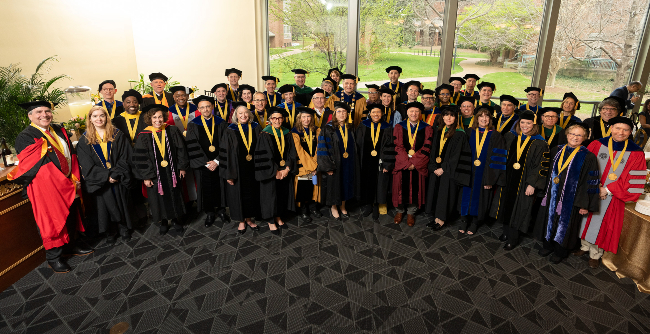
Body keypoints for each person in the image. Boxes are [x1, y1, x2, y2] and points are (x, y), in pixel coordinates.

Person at [10, 101, 93, 273]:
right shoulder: (26, 136)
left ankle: (70, 246)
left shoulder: (58, 130)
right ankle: (54, 257)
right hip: (46, 187)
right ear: (30, 116)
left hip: (69, 182)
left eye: (47, 111)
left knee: (70, 213)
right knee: (51, 220)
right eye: (39, 111)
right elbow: (37, 168)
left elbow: (70, 154)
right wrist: (64, 183)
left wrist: (74, 177)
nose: (44, 115)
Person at [578, 116, 646, 268]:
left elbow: (633, 180)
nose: (621, 132)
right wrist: (596, 187)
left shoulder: (636, 153)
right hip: (592, 190)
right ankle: (584, 246)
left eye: (625, 129)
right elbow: (584, 167)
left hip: (613, 196)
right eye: (617, 128)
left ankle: (595, 254)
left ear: (630, 132)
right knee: (585, 217)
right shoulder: (596, 144)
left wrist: (607, 190)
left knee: (603, 222)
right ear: (611, 128)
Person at [534, 123, 600, 264]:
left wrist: (585, 204)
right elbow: (544, 172)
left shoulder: (588, 157)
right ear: (567, 135)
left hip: (573, 199)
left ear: (584, 137)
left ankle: (560, 251)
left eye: (579, 135)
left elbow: (591, 181)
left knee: (565, 225)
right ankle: (548, 245)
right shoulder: (555, 150)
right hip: (551, 195)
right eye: (572, 134)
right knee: (549, 220)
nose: (575, 137)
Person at [491, 110, 549, 250]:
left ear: (534, 125)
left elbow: (540, 166)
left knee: (520, 209)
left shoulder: (540, 143)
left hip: (524, 182)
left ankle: (513, 237)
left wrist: (532, 184)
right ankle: (506, 231)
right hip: (508, 178)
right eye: (522, 122)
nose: (525, 125)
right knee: (505, 205)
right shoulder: (510, 136)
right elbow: (501, 156)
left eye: (528, 123)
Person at [77, 106, 133, 244]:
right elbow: (86, 163)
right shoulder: (84, 140)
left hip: (117, 176)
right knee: (103, 205)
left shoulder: (117, 134)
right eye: (95, 116)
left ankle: (123, 227)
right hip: (100, 180)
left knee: (120, 201)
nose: (99, 119)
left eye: (102, 115)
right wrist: (106, 176)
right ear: (90, 119)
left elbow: (125, 156)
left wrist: (115, 173)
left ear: (107, 117)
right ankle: (109, 230)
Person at [132, 104, 189, 236]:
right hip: (155, 175)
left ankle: (176, 220)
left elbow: (181, 150)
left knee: (174, 194)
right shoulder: (144, 135)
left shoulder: (172, 130)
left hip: (172, 172)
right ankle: (163, 221)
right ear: (149, 119)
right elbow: (141, 158)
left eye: (160, 117)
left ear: (164, 117)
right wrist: (146, 176)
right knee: (157, 198)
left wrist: (182, 167)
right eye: (154, 117)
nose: (157, 120)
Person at [458, 107, 507, 235]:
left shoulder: (496, 136)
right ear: (477, 118)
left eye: (487, 116)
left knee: (481, 197)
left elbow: (499, 159)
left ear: (490, 119)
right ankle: (463, 219)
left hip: (485, 173)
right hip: (468, 171)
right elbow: (461, 154)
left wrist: (491, 179)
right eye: (481, 116)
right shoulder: (469, 132)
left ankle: (475, 222)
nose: (484, 119)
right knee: (465, 194)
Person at [185, 95, 230, 227]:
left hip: (219, 163)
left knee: (221, 186)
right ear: (198, 109)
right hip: (203, 164)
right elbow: (192, 145)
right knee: (206, 187)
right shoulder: (193, 125)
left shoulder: (221, 123)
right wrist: (206, 162)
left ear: (212, 107)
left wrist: (217, 161)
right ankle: (210, 212)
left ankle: (222, 210)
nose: (205, 109)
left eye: (208, 106)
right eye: (202, 107)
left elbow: (226, 144)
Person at [425, 106, 472, 230]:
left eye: (452, 115)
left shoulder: (460, 134)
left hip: (449, 170)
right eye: (446, 115)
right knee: (435, 191)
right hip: (436, 168)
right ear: (442, 117)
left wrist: (443, 168)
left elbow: (457, 156)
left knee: (444, 194)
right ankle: (436, 217)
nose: (448, 117)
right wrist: (433, 166)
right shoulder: (439, 130)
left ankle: (441, 220)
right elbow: (433, 150)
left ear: (456, 118)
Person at [219, 105, 262, 235]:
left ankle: (249, 219)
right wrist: (228, 174)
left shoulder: (256, 127)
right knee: (238, 194)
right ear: (235, 116)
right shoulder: (230, 130)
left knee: (251, 194)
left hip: (253, 168)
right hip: (236, 169)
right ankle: (241, 221)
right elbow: (225, 153)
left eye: (245, 113)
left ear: (249, 114)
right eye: (240, 113)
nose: (243, 116)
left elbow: (261, 148)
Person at [255, 107, 297, 235]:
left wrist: (287, 168)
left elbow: (292, 153)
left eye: (279, 118)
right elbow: (264, 157)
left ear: (283, 119)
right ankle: (270, 220)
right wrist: (276, 172)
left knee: (281, 194)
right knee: (270, 195)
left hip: (284, 171)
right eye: (274, 118)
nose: (277, 120)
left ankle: (278, 216)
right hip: (271, 173)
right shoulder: (265, 134)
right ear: (270, 120)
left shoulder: (287, 133)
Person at [392, 102, 434, 226]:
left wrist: (414, 162)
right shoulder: (399, 127)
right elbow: (397, 146)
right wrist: (406, 162)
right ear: (407, 113)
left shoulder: (427, 128)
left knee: (415, 189)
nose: (414, 114)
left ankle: (411, 212)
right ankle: (399, 211)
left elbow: (427, 147)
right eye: (411, 111)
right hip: (403, 163)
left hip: (417, 164)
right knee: (400, 187)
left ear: (420, 113)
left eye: (416, 111)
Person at [318, 102, 359, 221]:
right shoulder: (328, 128)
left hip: (348, 162)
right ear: (335, 113)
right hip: (335, 164)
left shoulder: (350, 128)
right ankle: (334, 207)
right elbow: (322, 149)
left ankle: (343, 205)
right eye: (339, 111)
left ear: (347, 114)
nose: (342, 114)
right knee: (335, 185)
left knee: (346, 184)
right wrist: (328, 167)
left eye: (344, 112)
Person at [355, 104, 395, 222]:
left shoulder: (387, 127)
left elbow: (390, 146)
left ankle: (377, 205)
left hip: (380, 161)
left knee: (380, 183)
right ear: (370, 113)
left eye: (378, 112)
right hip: (365, 160)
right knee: (367, 181)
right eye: (373, 112)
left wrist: (387, 164)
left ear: (382, 114)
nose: (376, 114)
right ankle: (368, 204)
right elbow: (357, 143)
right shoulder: (363, 125)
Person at [292, 107, 323, 223]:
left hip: (314, 165)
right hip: (303, 166)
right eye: (303, 117)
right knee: (303, 188)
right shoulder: (295, 132)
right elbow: (299, 151)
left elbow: (319, 148)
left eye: (308, 116)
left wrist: (315, 164)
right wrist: (311, 166)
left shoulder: (317, 130)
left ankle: (313, 207)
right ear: (299, 118)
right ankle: (303, 210)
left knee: (314, 187)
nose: (306, 119)